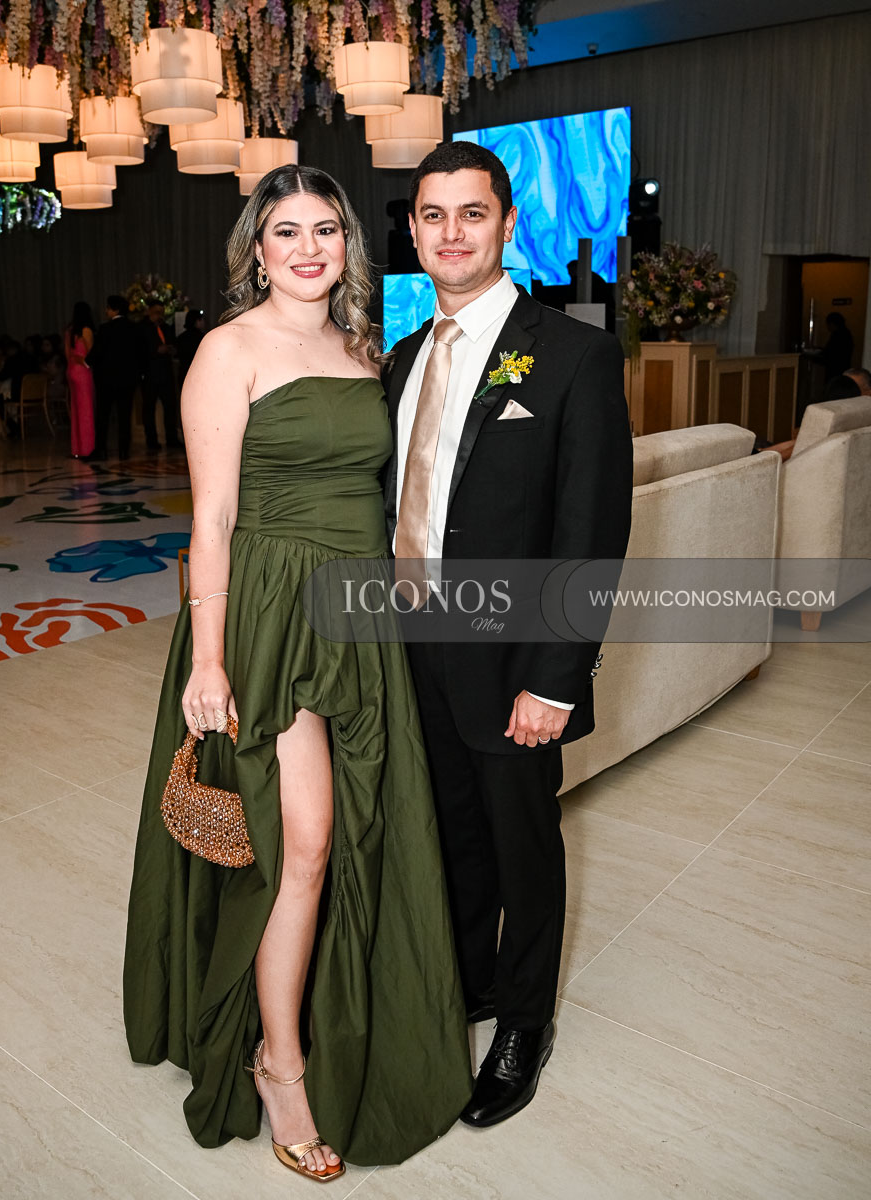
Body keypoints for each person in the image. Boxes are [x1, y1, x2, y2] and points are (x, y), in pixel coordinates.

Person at [123, 164, 472, 1179]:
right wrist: (210, 659)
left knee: (362, 829)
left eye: (326, 229)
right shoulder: (227, 350)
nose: (309, 248)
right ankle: (280, 1063)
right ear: (258, 249)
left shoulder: (363, 350)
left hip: (360, 614)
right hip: (273, 617)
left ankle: (335, 1016)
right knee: (306, 841)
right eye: (287, 231)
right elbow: (213, 519)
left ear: (349, 244)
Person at [383, 141, 632, 1128]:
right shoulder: (403, 358)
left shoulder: (572, 355)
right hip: (412, 644)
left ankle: (525, 1023)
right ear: (413, 232)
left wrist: (557, 675)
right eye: (433, 215)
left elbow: (590, 530)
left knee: (523, 845)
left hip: (514, 657)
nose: (452, 233)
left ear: (507, 223)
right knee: (452, 830)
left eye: (472, 213)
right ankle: (472, 981)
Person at [89, 295, 144, 460]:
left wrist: (85, 362)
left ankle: (101, 450)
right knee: (124, 417)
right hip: (127, 380)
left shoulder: (105, 329)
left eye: (108, 308)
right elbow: (140, 354)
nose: (106, 311)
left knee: (103, 416)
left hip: (106, 380)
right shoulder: (134, 328)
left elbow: (96, 352)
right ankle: (123, 451)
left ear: (115, 309)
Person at [138, 300, 180, 451]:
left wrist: (172, 349)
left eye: (162, 312)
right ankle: (152, 441)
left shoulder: (166, 327)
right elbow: (138, 351)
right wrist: (156, 351)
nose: (159, 315)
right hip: (149, 374)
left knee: (170, 406)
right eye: (157, 312)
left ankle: (172, 439)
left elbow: (173, 343)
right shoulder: (141, 328)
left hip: (166, 373)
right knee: (149, 409)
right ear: (149, 311)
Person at [64, 301, 96, 458]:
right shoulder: (86, 330)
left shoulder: (69, 330)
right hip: (83, 371)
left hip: (71, 370)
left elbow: (67, 354)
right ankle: (87, 449)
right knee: (86, 410)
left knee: (75, 409)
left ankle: (76, 449)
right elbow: (91, 353)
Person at [176, 307, 206, 389]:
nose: (203, 322)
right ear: (197, 321)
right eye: (202, 320)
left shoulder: (180, 337)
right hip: (198, 375)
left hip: (184, 375)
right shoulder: (203, 338)